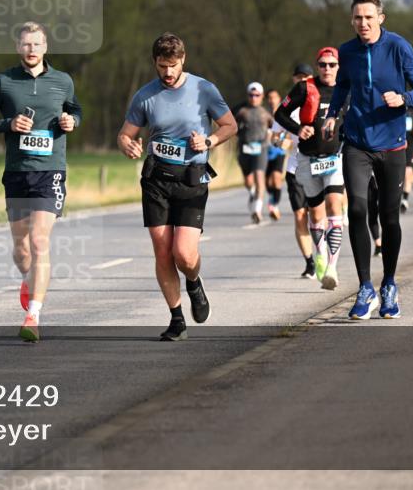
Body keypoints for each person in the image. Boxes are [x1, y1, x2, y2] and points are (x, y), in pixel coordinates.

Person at [117, 32, 236, 341]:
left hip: (191, 178)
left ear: (183, 60)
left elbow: (230, 125)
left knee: (183, 253)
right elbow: (124, 134)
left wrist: (208, 140)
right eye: (161, 65)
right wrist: (128, 145)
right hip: (156, 179)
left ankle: (194, 283)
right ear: (155, 63)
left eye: (172, 65)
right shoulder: (145, 95)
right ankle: (176, 318)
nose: (167, 72)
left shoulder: (203, 89)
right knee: (162, 251)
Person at [323, 0, 413, 320]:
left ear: (381, 18)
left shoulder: (398, 47)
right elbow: (342, 87)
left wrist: (404, 98)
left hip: (393, 142)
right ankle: (364, 287)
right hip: (356, 140)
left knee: (389, 217)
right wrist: (331, 114)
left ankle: (389, 284)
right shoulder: (347, 51)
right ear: (352, 20)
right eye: (358, 18)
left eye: (369, 17)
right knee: (356, 207)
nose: (363, 23)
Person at [0, 22, 81, 343]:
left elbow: (76, 111)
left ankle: (33, 314)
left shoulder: (63, 81)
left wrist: (71, 121)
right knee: (22, 249)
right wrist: (7, 124)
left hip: (51, 172)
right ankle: (27, 278)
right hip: (17, 172)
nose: (31, 50)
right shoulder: (3, 82)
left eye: (37, 44)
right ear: (18, 48)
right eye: (26, 44)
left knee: (38, 242)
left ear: (45, 47)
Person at [275, 47, 346, 290]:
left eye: (332, 64)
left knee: (335, 205)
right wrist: (298, 129)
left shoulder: (347, 88)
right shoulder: (304, 88)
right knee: (315, 215)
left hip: (335, 158)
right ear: (317, 66)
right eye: (323, 64)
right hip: (307, 160)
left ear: (339, 66)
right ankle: (319, 254)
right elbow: (280, 113)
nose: (327, 69)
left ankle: (333, 268)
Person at [282, 64, 318, 278]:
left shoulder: (319, 102)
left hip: (318, 168)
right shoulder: (288, 107)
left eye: (306, 77)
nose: (302, 81)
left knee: (317, 215)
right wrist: (280, 142)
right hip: (295, 169)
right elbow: (275, 135)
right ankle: (309, 262)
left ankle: (322, 253)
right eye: (299, 78)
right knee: (299, 215)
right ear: (294, 80)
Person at [234, 82, 273, 224]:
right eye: (251, 95)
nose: (254, 98)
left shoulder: (266, 112)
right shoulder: (241, 111)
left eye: (257, 95)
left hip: (261, 149)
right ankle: (253, 193)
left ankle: (257, 209)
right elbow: (229, 124)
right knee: (249, 181)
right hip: (245, 148)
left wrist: (270, 137)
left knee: (259, 176)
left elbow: (273, 127)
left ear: (262, 96)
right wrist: (237, 133)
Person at [265, 89, 286, 221]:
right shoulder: (265, 115)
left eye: (274, 97)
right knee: (267, 182)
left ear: (279, 99)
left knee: (277, 177)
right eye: (270, 98)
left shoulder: (284, 114)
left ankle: (274, 205)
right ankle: (272, 199)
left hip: (279, 151)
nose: (272, 100)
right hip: (265, 153)